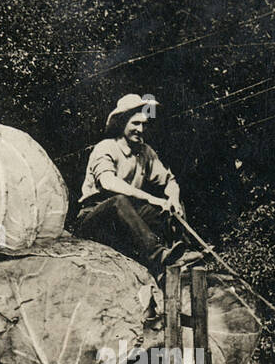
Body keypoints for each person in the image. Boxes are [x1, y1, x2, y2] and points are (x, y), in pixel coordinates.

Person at [73, 94, 203, 277]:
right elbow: (108, 182)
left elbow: (169, 181)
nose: (140, 129)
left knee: (165, 208)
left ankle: (181, 250)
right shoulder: (106, 147)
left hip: (126, 218)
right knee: (120, 201)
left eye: (144, 124)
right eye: (135, 123)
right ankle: (159, 255)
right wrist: (151, 197)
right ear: (121, 123)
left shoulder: (144, 152)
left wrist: (172, 199)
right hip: (95, 218)